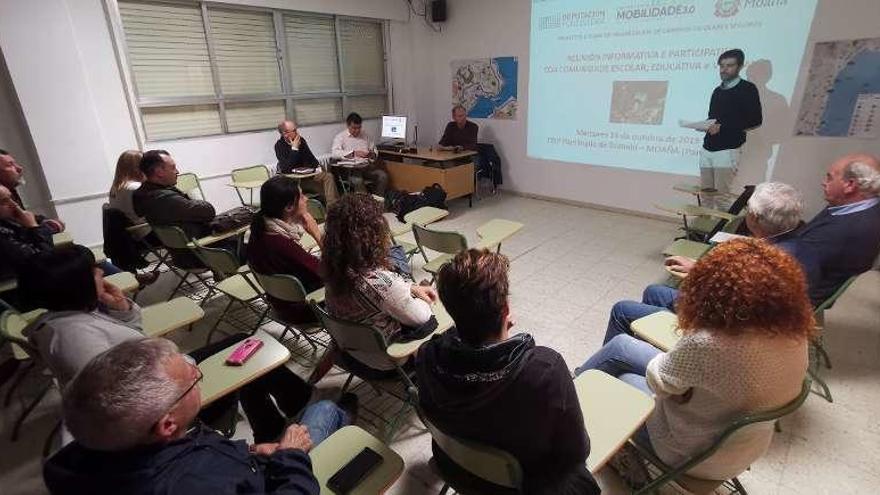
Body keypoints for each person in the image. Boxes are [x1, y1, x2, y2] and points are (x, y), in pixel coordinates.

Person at [21, 245, 340, 444]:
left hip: (168, 374)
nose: (100, 272)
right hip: (172, 395)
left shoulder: (72, 317)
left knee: (249, 346)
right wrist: (185, 374)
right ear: (74, 284)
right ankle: (303, 401)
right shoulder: (75, 339)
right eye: (92, 270)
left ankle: (275, 423)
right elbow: (122, 398)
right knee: (252, 358)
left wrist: (122, 308)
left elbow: (134, 338)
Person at [577, 238, 812, 482]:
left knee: (621, 368)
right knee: (625, 347)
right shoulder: (796, 333)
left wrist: (687, 343)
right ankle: (580, 386)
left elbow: (660, 382)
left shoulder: (708, 343)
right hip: (742, 450)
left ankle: (572, 402)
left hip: (688, 454)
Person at [43, 338, 331, 495]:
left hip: (251, 465)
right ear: (167, 424)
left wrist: (250, 450)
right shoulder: (196, 484)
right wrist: (291, 456)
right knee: (326, 411)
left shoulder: (79, 456)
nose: (199, 377)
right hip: (284, 479)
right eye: (194, 380)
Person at [416, 249, 599, 494]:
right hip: (520, 486)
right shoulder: (544, 368)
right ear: (505, 310)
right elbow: (578, 451)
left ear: (450, 310)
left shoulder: (428, 355)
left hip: (458, 470)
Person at [602, 181, 814, 343]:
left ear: (755, 217)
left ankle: (623, 357)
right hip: (730, 317)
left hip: (717, 328)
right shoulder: (789, 244)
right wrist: (699, 267)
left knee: (622, 309)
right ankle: (647, 340)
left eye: (747, 208)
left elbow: (722, 303)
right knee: (654, 291)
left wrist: (699, 275)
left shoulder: (764, 264)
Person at [322, 193, 436, 372]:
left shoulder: (333, 268)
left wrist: (410, 287)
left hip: (351, 355)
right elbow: (423, 318)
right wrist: (423, 297)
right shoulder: (380, 283)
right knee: (441, 314)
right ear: (374, 234)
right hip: (387, 363)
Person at [798, 153, 880, 304]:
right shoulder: (851, 207)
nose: (823, 182)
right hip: (816, 278)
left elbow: (787, 267)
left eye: (829, 178)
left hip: (798, 297)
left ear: (850, 185)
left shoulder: (845, 231)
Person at [248, 175, 323, 325]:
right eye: (301, 197)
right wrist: (317, 234)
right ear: (289, 207)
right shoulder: (281, 244)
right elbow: (328, 272)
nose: (306, 199)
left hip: (280, 304)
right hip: (306, 309)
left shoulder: (257, 231)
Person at [699, 49, 762, 202]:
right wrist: (706, 125)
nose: (724, 70)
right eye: (721, 66)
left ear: (739, 67)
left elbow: (755, 120)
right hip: (707, 148)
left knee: (721, 197)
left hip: (727, 150)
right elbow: (713, 117)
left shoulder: (748, 89)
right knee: (706, 195)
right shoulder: (717, 91)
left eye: (729, 65)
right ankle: (706, 225)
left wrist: (723, 127)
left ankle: (721, 227)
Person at [274, 120, 339, 205]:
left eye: (296, 130)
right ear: (285, 133)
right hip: (296, 182)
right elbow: (286, 169)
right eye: (294, 131)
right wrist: (294, 149)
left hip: (308, 176)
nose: (297, 133)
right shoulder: (279, 146)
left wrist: (313, 168)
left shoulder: (301, 141)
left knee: (329, 177)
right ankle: (334, 210)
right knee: (325, 190)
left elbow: (312, 160)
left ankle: (334, 208)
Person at [0, 149, 65, 232]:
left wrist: (46, 221)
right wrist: (46, 228)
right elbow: (21, 231)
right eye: (10, 165)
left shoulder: (11, 191)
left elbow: (24, 216)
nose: (19, 168)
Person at [330, 113, 389, 196]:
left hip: (366, 168)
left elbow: (374, 150)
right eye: (354, 128)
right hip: (351, 171)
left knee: (382, 176)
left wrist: (372, 154)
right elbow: (334, 153)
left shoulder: (365, 135)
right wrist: (354, 153)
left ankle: (378, 201)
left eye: (359, 127)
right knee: (358, 181)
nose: (357, 130)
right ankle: (365, 205)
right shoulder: (340, 137)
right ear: (348, 125)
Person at [108, 150, 147, 226]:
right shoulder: (135, 188)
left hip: (127, 230)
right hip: (141, 230)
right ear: (138, 168)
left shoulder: (116, 187)